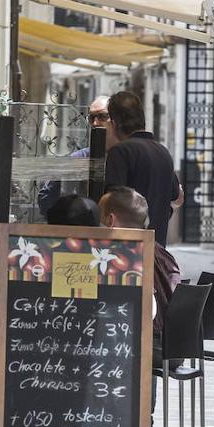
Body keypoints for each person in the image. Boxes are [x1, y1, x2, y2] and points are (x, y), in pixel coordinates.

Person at [104, 91, 183, 245]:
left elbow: (113, 199)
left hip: (128, 248)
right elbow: (176, 196)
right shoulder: (162, 152)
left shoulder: (121, 151)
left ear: (114, 124)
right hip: (156, 248)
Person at [99, 187, 180, 335]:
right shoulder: (162, 254)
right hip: (169, 343)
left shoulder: (114, 258)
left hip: (142, 346)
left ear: (110, 220)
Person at [37, 96, 112, 216]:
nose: (95, 123)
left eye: (102, 116)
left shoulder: (125, 155)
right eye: (92, 117)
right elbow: (47, 196)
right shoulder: (79, 158)